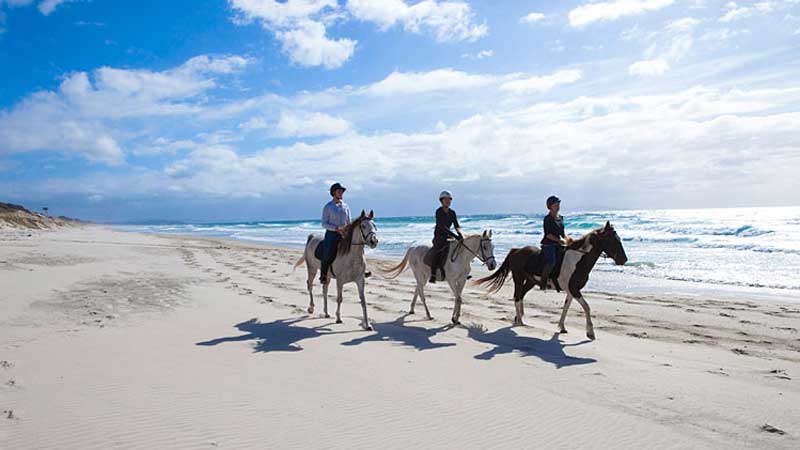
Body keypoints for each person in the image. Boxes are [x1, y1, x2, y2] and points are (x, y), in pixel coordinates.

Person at [320, 182, 351, 284]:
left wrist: (348, 231)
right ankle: (323, 275)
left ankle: (360, 270)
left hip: (344, 234)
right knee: (328, 252)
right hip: (332, 234)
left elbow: (349, 222)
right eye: (339, 191)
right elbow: (324, 224)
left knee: (357, 247)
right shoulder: (328, 207)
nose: (341, 193)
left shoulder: (346, 206)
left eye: (342, 191)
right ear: (334, 193)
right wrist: (336, 228)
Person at [430, 190, 463, 283]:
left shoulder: (452, 212)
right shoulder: (439, 211)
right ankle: (433, 274)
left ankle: (460, 271)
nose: (448, 201)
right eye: (446, 200)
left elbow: (456, 225)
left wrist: (460, 234)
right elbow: (442, 227)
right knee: (438, 251)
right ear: (441, 201)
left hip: (448, 235)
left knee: (459, 248)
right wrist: (455, 236)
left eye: (449, 200)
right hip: (439, 236)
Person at [539, 195, 568, 290]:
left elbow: (562, 233)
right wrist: (558, 240)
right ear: (550, 206)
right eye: (556, 205)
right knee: (552, 261)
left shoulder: (561, 218)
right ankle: (543, 281)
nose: (558, 206)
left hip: (558, 243)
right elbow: (548, 234)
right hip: (548, 244)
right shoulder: (547, 218)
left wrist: (568, 239)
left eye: (558, 204)